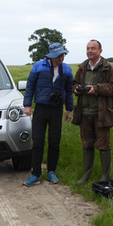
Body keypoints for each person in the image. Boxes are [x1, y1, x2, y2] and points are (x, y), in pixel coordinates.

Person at [22, 42, 75, 186]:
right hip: (40, 108)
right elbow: (30, 86)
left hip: (56, 109)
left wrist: (69, 109)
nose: (61, 58)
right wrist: (27, 105)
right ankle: (35, 174)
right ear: (52, 56)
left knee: (54, 141)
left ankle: (52, 171)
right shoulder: (38, 66)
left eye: (63, 55)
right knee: (38, 141)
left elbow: (69, 91)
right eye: (59, 56)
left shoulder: (67, 70)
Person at [72, 39, 113, 184]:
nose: (90, 51)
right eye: (88, 48)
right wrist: (76, 88)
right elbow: (74, 83)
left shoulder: (108, 68)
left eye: (93, 48)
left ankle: (104, 177)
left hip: (102, 114)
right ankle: (86, 176)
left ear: (100, 51)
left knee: (103, 145)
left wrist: (97, 89)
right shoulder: (82, 68)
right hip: (84, 113)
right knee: (87, 144)